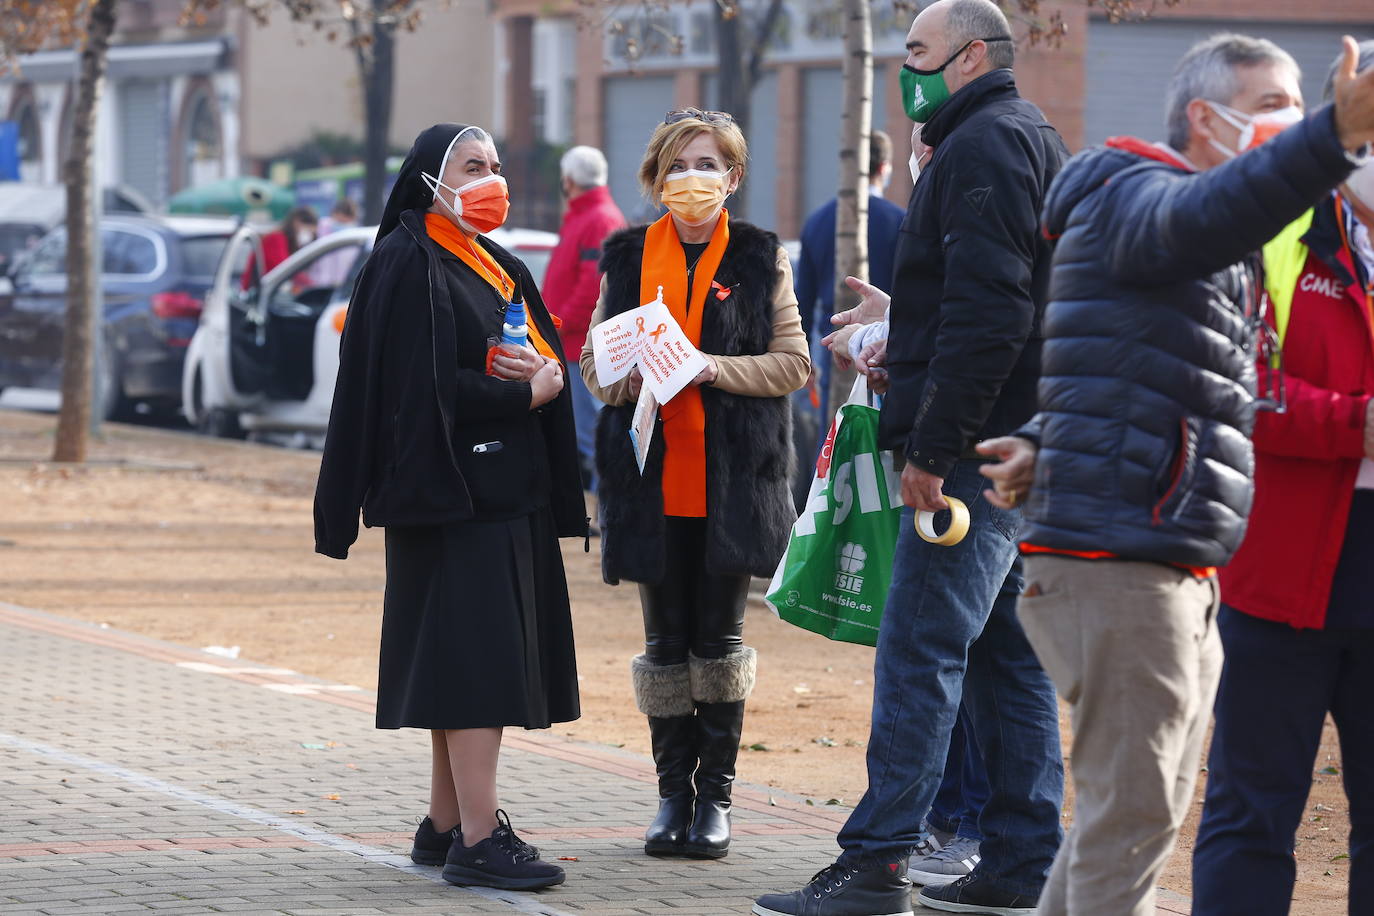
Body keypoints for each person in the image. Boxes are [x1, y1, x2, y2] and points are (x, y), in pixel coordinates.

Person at [974, 34, 1374, 916]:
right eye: (1275, 102)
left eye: (1302, 105)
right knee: (1133, 826)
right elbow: (1207, 219)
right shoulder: (1136, 192)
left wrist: (1050, 437)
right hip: (1125, 561)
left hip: (1161, 554)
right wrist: (1331, 139)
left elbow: (1133, 371)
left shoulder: (1169, 223)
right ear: (1204, 116)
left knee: (1120, 825)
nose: (1291, 118)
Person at [755, 1, 1069, 914]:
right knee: (1006, 657)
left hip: (972, 454)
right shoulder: (1018, 134)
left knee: (921, 650)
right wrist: (904, 322)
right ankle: (1021, 859)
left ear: (971, 56)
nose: (907, 67)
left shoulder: (980, 146)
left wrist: (933, 448)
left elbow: (995, 314)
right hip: (1011, 441)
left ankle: (879, 859)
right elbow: (997, 297)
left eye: (918, 51)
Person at [313, 123, 588, 892]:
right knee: (478, 668)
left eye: (496, 166)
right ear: (431, 179)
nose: (490, 178)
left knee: (459, 662)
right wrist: (518, 392)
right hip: (453, 497)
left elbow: (514, 353)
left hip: (501, 491)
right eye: (473, 166)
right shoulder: (408, 260)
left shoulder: (490, 260)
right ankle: (478, 837)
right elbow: (415, 394)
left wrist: (541, 369)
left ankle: (442, 824)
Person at [579, 108, 809, 860]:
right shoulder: (623, 256)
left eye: (707, 164)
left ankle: (716, 800)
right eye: (677, 166)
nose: (691, 179)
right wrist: (627, 373)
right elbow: (594, 371)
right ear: (654, 178)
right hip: (649, 481)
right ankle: (670, 795)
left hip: (733, 482)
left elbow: (794, 364)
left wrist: (708, 369)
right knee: (664, 645)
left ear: (733, 177)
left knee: (720, 643)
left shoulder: (759, 257)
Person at [1191, 41, 1374, 916]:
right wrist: (1353, 423)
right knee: (1252, 813)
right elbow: (1234, 381)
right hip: (1283, 571)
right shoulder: (1275, 226)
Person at [794, 130, 906, 427]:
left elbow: (801, 300)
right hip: (887, 349)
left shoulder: (816, 222)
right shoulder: (900, 222)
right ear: (884, 167)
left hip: (833, 346)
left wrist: (803, 355)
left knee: (833, 438)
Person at [543, 145, 626, 494]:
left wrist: (557, 324)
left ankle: (610, 510)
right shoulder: (591, 217)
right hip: (576, 345)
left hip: (583, 348)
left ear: (569, 180)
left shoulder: (596, 219)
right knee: (589, 434)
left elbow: (593, 287)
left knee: (595, 435)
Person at [241, 205, 318, 290]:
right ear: (296, 222)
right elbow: (286, 269)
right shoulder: (276, 238)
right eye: (308, 231)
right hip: (257, 294)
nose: (308, 236)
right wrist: (312, 285)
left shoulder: (287, 241)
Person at [308, 197, 361, 288]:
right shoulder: (319, 230)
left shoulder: (356, 236)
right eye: (340, 220)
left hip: (341, 287)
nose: (343, 224)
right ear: (335, 213)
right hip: (318, 284)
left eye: (346, 222)